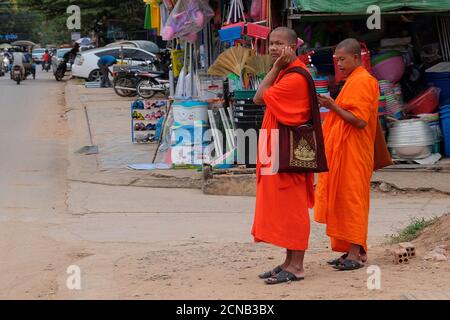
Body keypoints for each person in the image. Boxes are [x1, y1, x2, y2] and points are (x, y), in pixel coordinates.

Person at [251, 27, 315, 284]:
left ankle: (297, 266)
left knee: (293, 208)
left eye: (280, 44)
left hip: (289, 154)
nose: (274, 48)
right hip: (278, 150)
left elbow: (258, 98)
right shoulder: (287, 73)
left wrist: (276, 68)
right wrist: (278, 68)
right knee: (284, 207)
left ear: (292, 47)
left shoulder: (294, 77)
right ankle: (289, 261)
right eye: (271, 44)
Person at [314, 38, 380, 270]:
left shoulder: (364, 81)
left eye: (342, 59)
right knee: (342, 199)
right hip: (345, 151)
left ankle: (355, 252)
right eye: (336, 60)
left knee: (352, 200)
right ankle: (353, 250)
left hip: (355, 152)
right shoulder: (352, 81)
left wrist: (332, 106)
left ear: (356, 57)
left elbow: (360, 121)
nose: (339, 64)